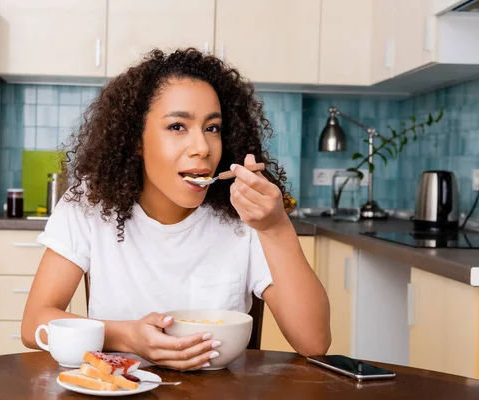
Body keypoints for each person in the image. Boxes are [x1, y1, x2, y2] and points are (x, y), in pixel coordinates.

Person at [21, 48, 331, 371]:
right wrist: (127, 337)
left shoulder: (246, 215)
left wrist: (275, 227)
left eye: (212, 128)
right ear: (136, 140)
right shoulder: (91, 204)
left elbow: (315, 341)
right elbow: (34, 323)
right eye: (177, 127)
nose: (202, 148)